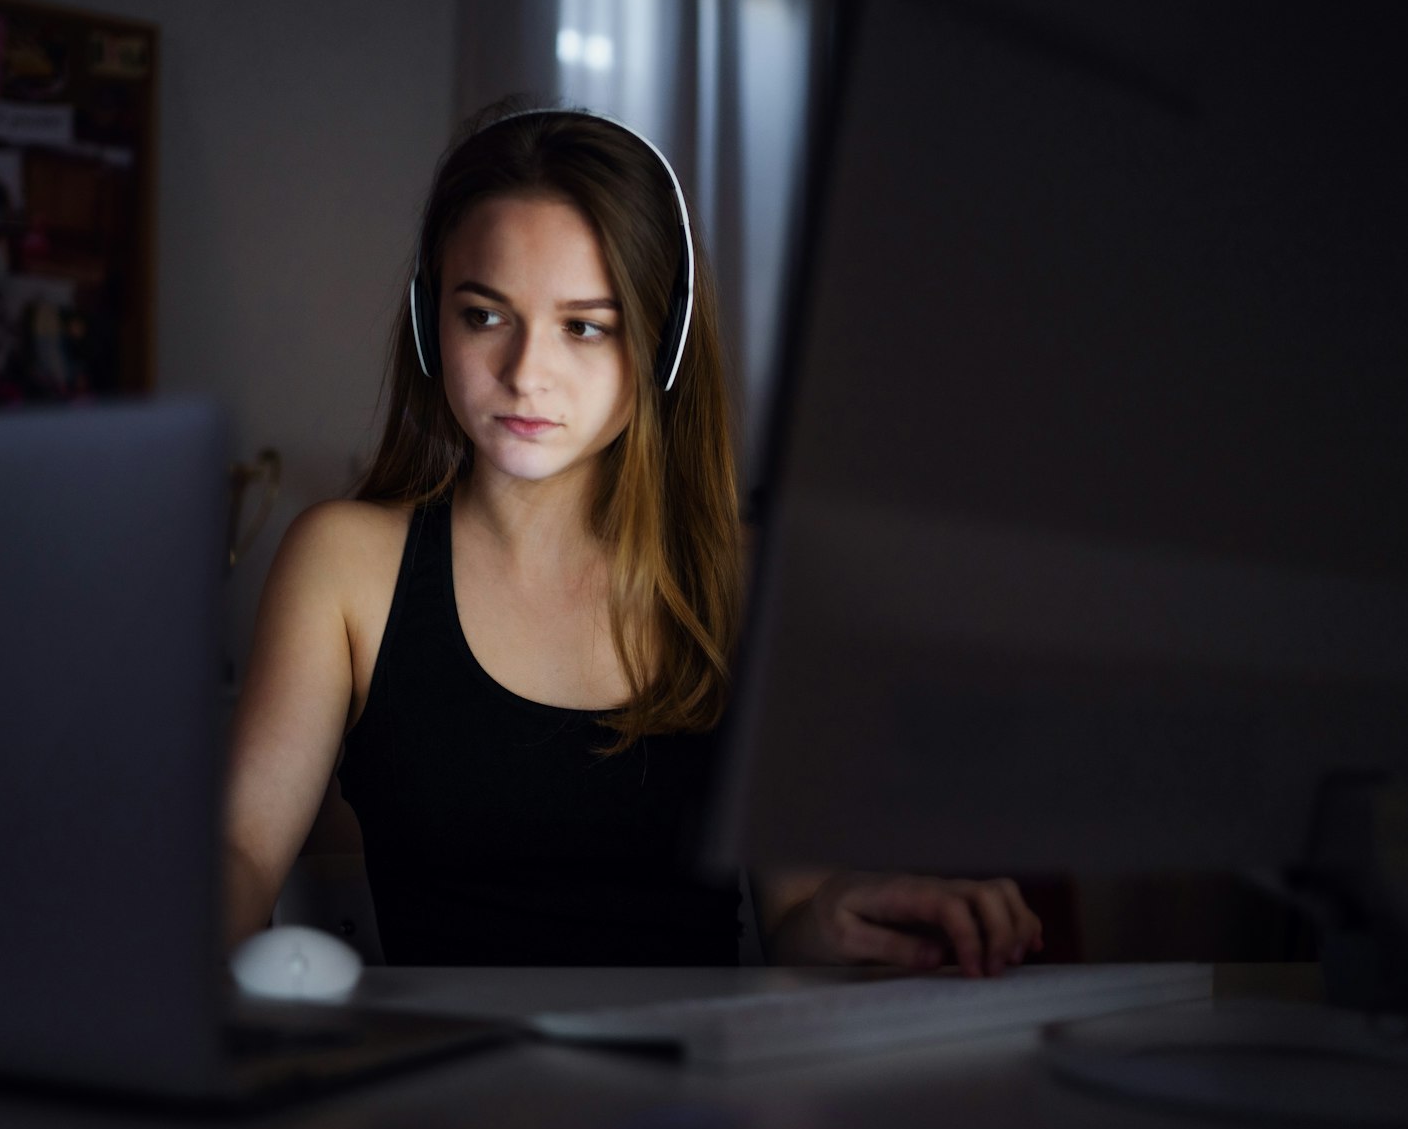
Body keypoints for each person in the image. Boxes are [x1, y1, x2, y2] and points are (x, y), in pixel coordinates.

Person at [222, 101, 1043, 973]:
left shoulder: (746, 583)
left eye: (585, 326)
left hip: (691, 1101)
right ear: (431, 322)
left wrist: (853, 918)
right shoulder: (343, 564)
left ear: (664, 345)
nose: (526, 373)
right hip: (440, 1094)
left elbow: (797, 908)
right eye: (485, 315)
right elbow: (239, 851)